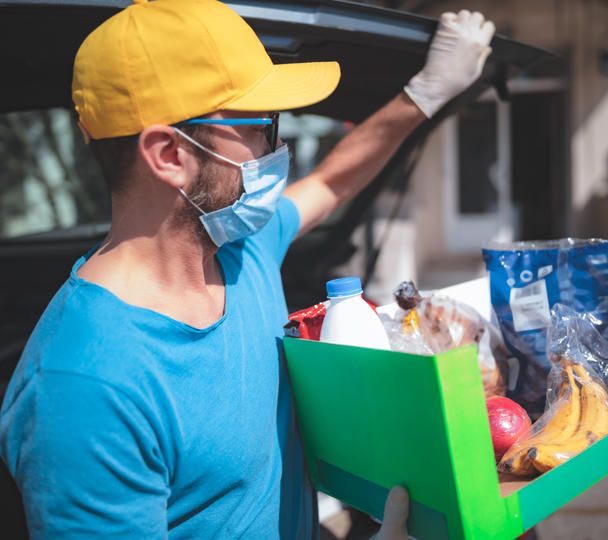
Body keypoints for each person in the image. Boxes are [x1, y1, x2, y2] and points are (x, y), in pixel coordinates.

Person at [0, 0, 494, 538]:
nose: (279, 147)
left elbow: (330, 182)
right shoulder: (84, 388)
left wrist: (425, 94)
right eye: (263, 125)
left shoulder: (239, 249)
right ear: (169, 154)